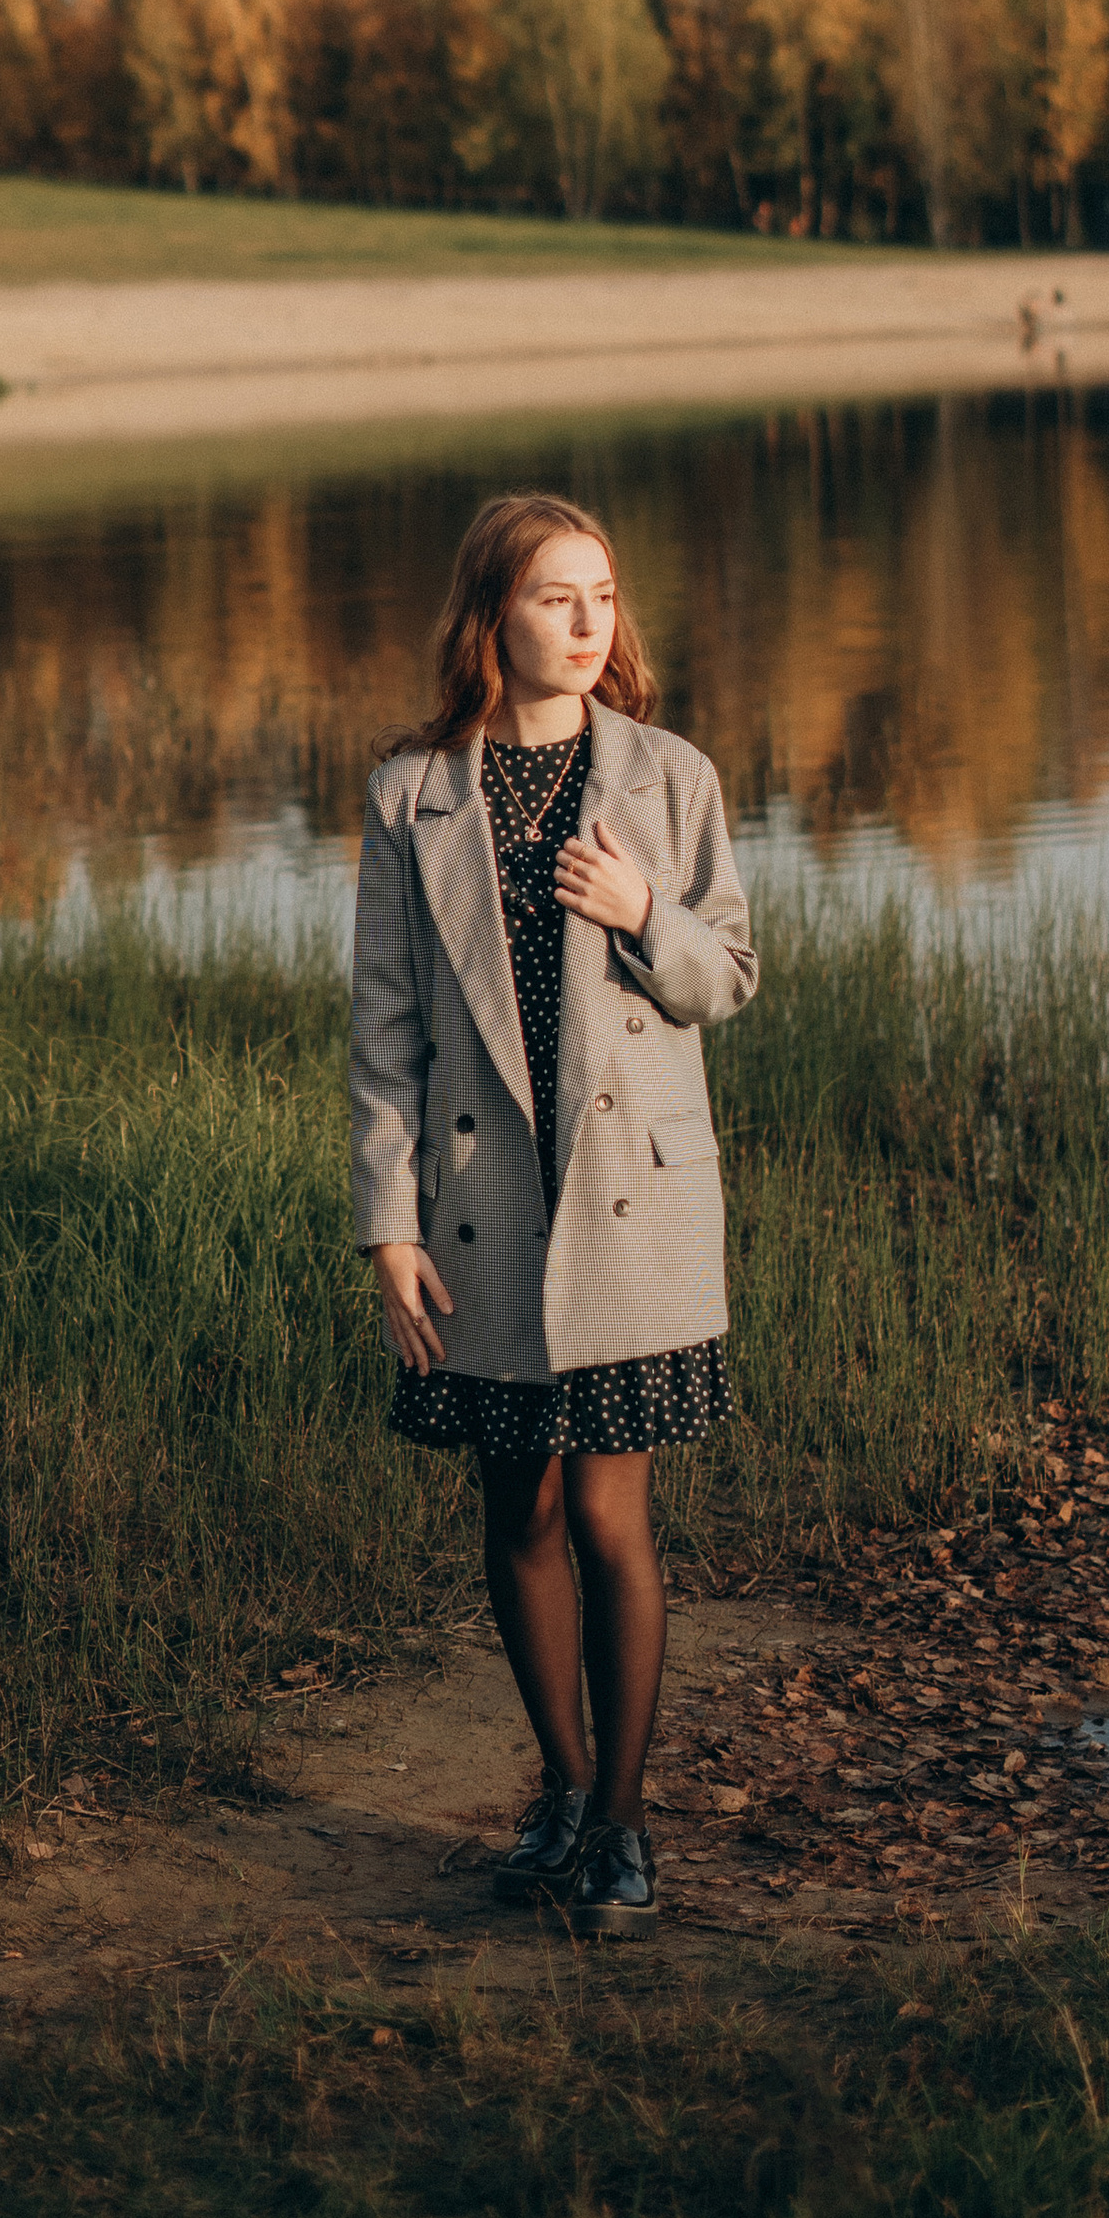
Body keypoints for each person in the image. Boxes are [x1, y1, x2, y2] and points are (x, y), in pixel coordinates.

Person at [351, 490, 758, 1938]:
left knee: (607, 1511)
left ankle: (629, 1831)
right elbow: (387, 1027)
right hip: (479, 1205)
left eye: (603, 597)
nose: (589, 624)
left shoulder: (668, 777)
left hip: (634, 1199)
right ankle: (571, 1792)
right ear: (492, 619)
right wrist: (386, 1225)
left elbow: (730, 982)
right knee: (515, 1503)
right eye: (555, 598)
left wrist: (646, 910)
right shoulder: (413, 795)